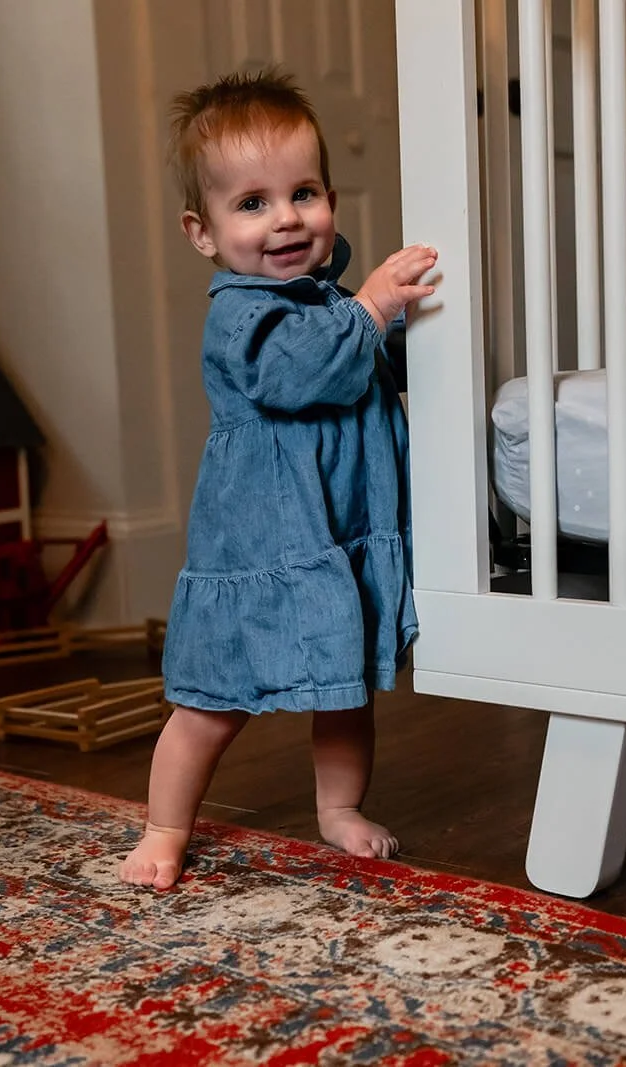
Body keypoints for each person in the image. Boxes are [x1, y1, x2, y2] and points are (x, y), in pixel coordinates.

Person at [118, 68, 438, 890]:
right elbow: (306, 375)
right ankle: (163, 827)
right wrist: (370, 309)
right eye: (252, 203)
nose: (286, 217)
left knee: (344, 686)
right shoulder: (243, 314)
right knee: (212, 702)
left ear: (330, 197)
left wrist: (410, 337)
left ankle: (339, 808)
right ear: (203, 230)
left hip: (332, 530)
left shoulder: (326, 300)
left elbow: (369, 366)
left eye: (303, 192)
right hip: (261, 538)